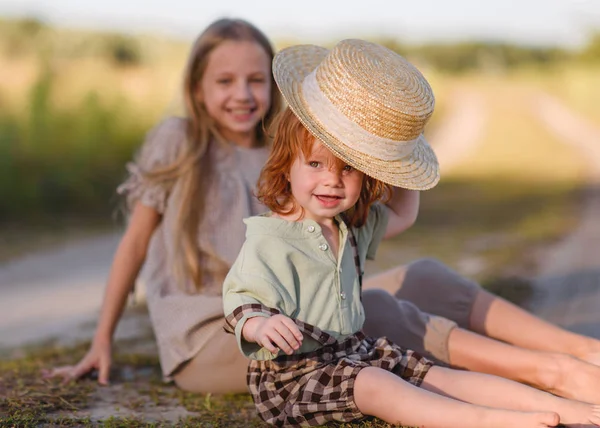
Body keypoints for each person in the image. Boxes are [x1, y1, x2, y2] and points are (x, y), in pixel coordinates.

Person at [44, 18, 600, 402]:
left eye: (255, 80)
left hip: (298, 310)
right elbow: (135, 244)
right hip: (223, 333)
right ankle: (552, 376)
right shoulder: (180, 141)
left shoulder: (293, 154)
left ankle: (581, 353)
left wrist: (392, 148)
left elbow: (394, 217)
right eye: (225, 81)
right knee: (379, 313)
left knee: (423, 277)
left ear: (272, 87)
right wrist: (102, 340)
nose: (243, 94)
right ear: (196, 86)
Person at [222, 39, 600, 427]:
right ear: (286, 165)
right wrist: (261, 324)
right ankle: (487, 420)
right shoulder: (271, 237)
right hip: (295, 375)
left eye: (349, 168)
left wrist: (392, 156)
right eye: (316, 163)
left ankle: (565, 409)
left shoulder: (349, 225)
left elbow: (402, 214)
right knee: (376, 385)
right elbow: (240, 300)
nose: (332, 181)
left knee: (435, 376)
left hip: (353, 351)